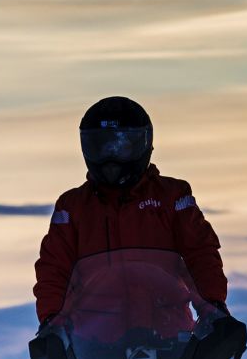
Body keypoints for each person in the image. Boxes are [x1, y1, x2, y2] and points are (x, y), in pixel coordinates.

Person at [33, 97, 229, 325]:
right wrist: (51, 321)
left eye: (122, 146)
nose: (111, 158)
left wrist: (213, 308)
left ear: (143, 144)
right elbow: (54, 268)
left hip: (169, 334)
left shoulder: (172, 197)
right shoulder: (73, 208)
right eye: (101, 146)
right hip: (94, 341)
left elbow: (201, 254)